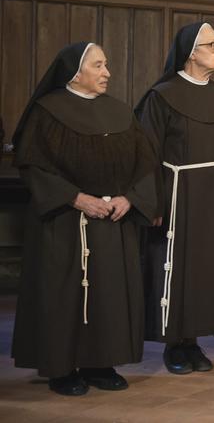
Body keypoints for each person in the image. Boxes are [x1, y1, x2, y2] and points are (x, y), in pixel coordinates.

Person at [11, 42, 158, 395]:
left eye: (106, 65)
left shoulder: (121, 112)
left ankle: (101, 363)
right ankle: (61, 368)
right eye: (98, 66)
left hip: (111, 221)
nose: (107, 72)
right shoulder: (47, 112)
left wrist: (131, 198)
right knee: (63, 296)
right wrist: (76, 198)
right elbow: (32, 166)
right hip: (64, 222)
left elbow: (146, 166)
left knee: (108, 294)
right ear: (75, 72)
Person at [136, 22, 214, 375]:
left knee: (204, 270)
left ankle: (194, 342)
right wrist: (151, 202)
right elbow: (146, 154)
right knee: (175, 266)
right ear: (191, 53)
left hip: (213, 196)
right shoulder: (162, 95)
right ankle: (173, 343)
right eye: (212, 45)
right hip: (175, 193)